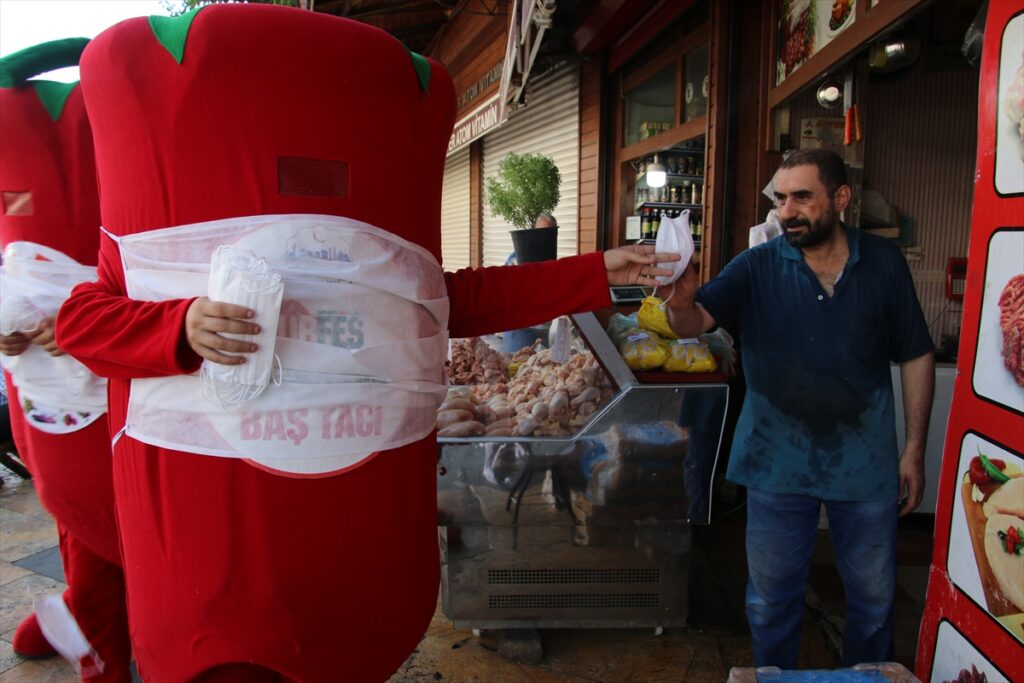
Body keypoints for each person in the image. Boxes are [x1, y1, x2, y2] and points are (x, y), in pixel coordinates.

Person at [54, 6, 678, 680]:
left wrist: (592, 271)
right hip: (220, 563)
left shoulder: (389, 267)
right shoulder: (158, 247)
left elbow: (456, 299)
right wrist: (179, 326)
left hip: (354, 543)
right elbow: (80, 323)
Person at [659, 148, 935, 668]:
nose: (787, 211)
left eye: (802, 197)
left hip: (865, 460)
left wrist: (915, 448)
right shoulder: (758, 265)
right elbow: (692, 324)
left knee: (874, 605)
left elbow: (916, 352)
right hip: (775, 460)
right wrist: (679, 300)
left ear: (841, 198)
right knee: (769, 605)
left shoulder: (882, 263)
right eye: (781, 198)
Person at [0, 40, 132, 681]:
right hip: (39, 383)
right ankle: (86, 611)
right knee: (72, 506)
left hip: (118, 370)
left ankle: (102, 635)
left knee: (108, 509)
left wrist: (92, 325)